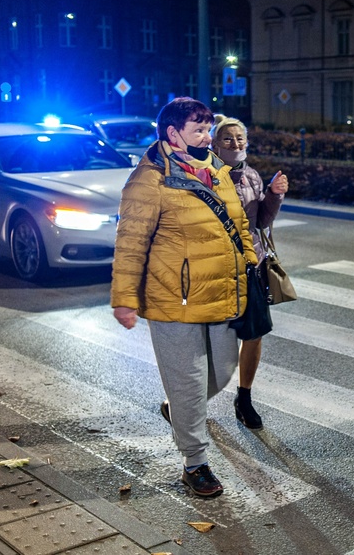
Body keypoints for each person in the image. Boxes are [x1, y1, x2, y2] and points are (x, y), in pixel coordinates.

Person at [111, 97, 257, 498]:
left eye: (208, 129)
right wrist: (124, 297)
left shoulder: (215, 170)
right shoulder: (149, 179)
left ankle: (178, 407)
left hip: (224, 291)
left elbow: (239, 220)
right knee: (190, 381)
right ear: (173, 134)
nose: (208, 136)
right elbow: (129, 243)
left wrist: (248, 257)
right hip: (174, 299)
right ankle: (195, 464)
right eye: (200, 129)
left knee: (222, 372)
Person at [209, 114, 288, 430]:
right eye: (228, 138)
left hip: (251, 266)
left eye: (240, 138)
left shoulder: (253, 176)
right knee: (211, 344)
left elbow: (262, 222)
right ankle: (185, 403)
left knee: (254, 335)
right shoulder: (206, 176)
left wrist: (274, 195)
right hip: (215, 269)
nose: (235, 143)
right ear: (214, 144)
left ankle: (244, 398)